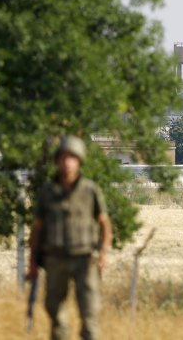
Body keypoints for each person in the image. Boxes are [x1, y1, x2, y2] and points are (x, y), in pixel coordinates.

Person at [27, 135, 112, 340]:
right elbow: (37, 228)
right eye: (63, 157)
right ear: (57, 161)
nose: (67, 162)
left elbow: (104, 224)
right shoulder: (48, 192)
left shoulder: (89, 190)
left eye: (72, 158)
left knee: (90, 313)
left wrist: (103, 254)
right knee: (56, 315)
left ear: (79, 161)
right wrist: (32, 262)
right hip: (55, 259)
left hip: (84, 259)